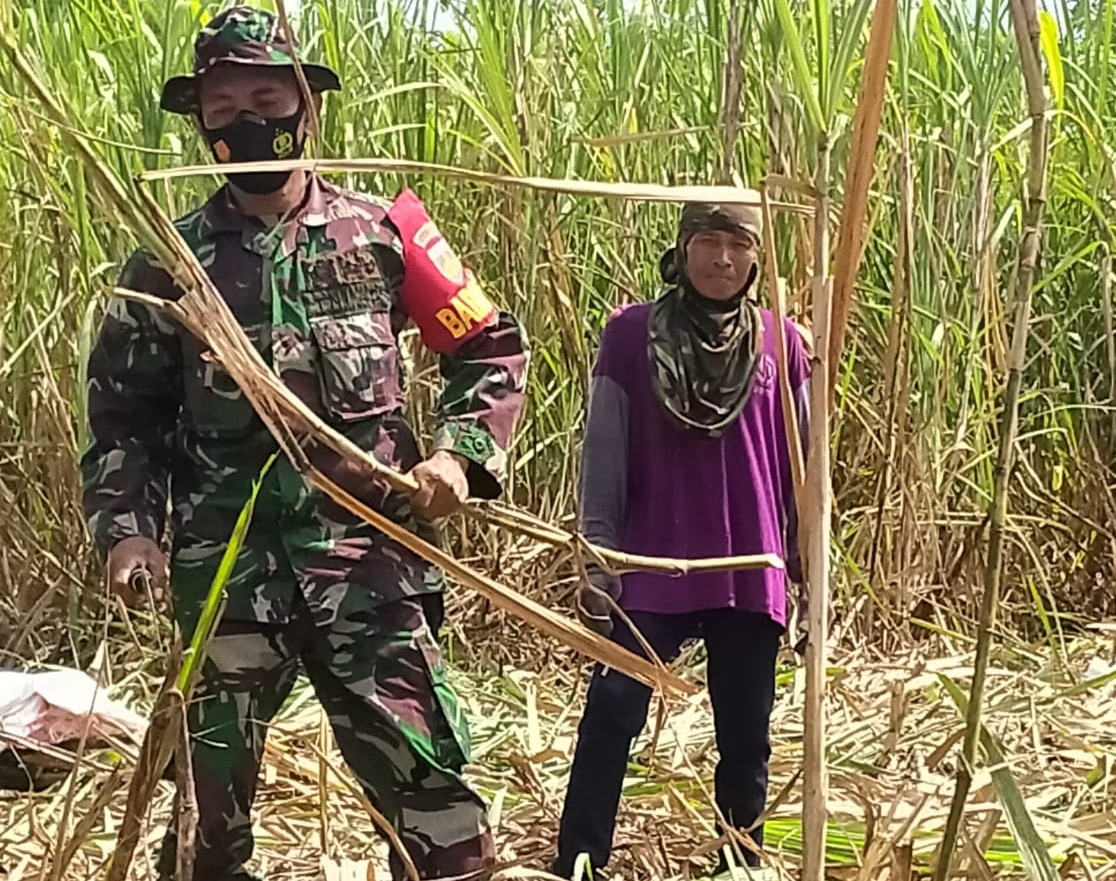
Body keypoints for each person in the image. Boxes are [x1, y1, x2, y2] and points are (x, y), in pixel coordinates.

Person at [81, 7, 529, 880]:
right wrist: (128, 527)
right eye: (224, 102)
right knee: (205, 827)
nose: (248, 116)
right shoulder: (167, 263)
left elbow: (489, 345)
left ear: (304, 105)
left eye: (266, 94)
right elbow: (121, 417)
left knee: (436, 804)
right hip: (227, 578)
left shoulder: (386, 234)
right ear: (200, 121)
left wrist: (459, 457)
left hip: (371, 567)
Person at [550, 200, 810, 880]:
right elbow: (603, 452)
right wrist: (598, 559)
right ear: (683, 247)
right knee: (612, 711)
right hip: (651, 564)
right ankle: (579, 858)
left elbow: (804, 470)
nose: (723, 259)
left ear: (756, 258)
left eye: (737, 245)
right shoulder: (631, 335)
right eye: (708, 242)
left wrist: (809, 569)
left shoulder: (785, 343)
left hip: (749, 565)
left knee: (746, 733)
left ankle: (738, 859)